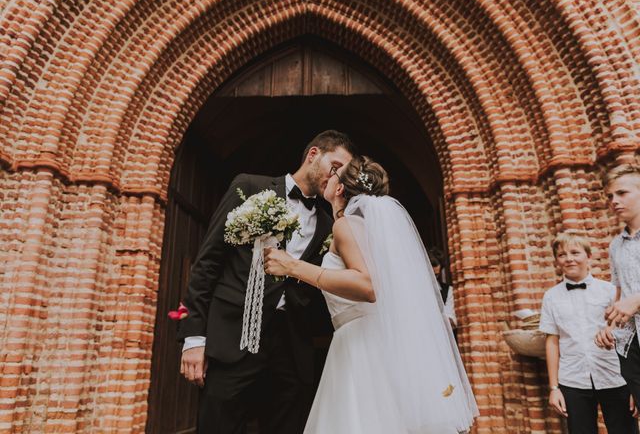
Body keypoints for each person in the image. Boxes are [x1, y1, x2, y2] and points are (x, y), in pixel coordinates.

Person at [264, 155, 478, 433]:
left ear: (339, 189)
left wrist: (293, 266)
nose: (326, 179)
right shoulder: (371, 231)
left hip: (360, 344)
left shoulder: (346, 225)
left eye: (332, 176)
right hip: (372, 339)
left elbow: (367, 285)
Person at [177, 130, 356, 433]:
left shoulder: (330, 224)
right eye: (336, 165)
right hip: (235, 335)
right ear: (313, 154)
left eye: (344, 172)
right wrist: (194, 337)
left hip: (291, 345)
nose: (337, 175)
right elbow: (208, 262)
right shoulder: (249, 187)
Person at [539, 232, 637, 433]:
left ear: (588, 256)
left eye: (575, 252)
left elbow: (628, 335)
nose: (569, 258)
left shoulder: (610, 291)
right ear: (557, 260)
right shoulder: (550, 297)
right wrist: (554, 388)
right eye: (562, 254)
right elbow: (552, 341)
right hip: (573, 380)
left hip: (614, 375)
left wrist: (635, 386)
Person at [595, 163, 640, 413]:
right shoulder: (615, 246)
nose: (614, 201)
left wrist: (638, 300)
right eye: (610, 196)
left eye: (622, 193)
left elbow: (631, 300)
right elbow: (620, 293)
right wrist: (609, 327)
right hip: (630, 346)